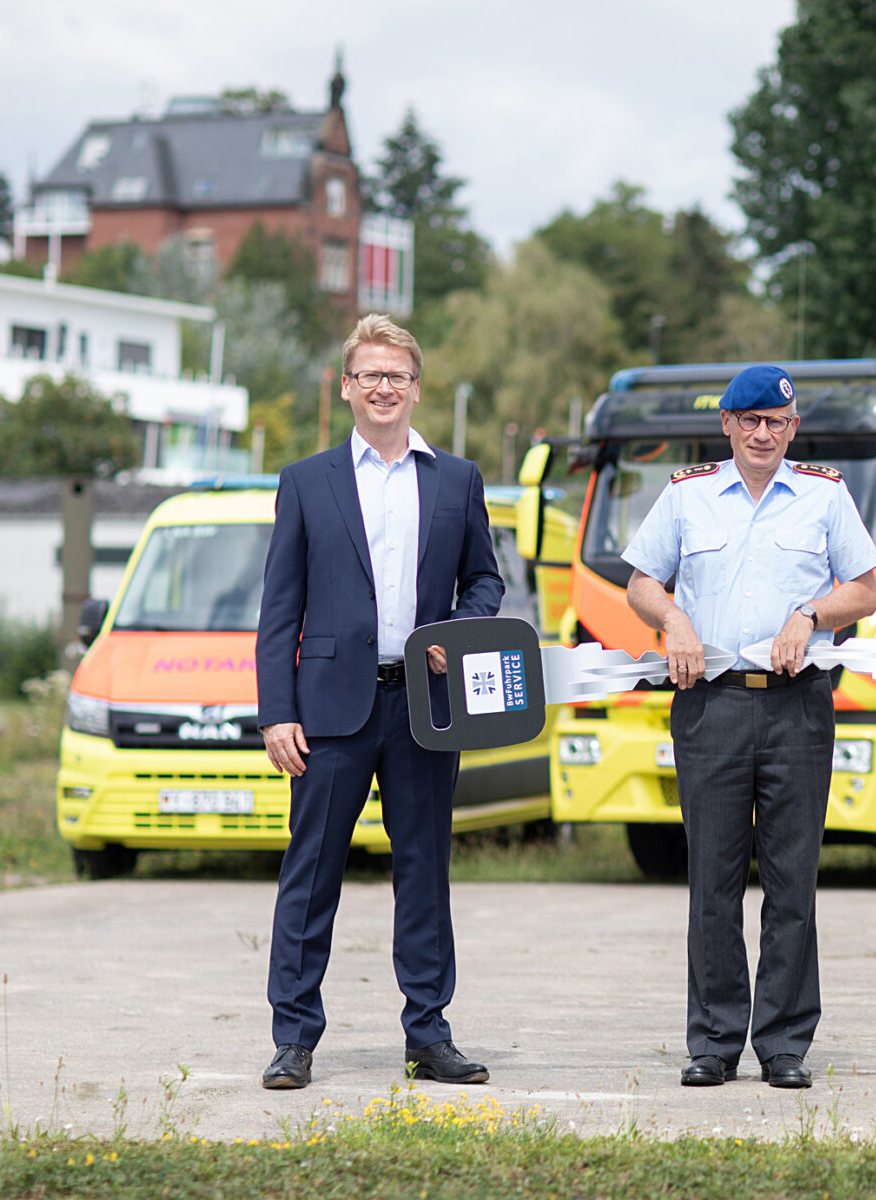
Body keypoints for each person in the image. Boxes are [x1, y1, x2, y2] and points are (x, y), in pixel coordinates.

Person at [254, 314, 503, 1090]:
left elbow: (487, 581)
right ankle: (294, 1038)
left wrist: (458, 631)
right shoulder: (306, 481)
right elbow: (278, 611)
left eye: (397, 375)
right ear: (347, 388)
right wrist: (276, 712)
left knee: (424, 873)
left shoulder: (457, 480)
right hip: (328, 712)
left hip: (425, 709)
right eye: (370, 375)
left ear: (416, 387)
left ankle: (428, 1035)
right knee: (311, 874)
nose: (384, 387)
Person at [621, 364, 876, 1090]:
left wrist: (812, 614)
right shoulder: (687, 495)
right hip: (712, 705)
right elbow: (641, 579)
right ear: (728, 427)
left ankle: (784, 1044)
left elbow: (864, 587)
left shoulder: (825, 497)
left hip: (798, 705)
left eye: (778, 422)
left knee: (793, 880)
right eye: (750, 421)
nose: (764, 433)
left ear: (794, 429)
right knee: (712, 880)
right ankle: (712, 1042)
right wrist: (671, 617)